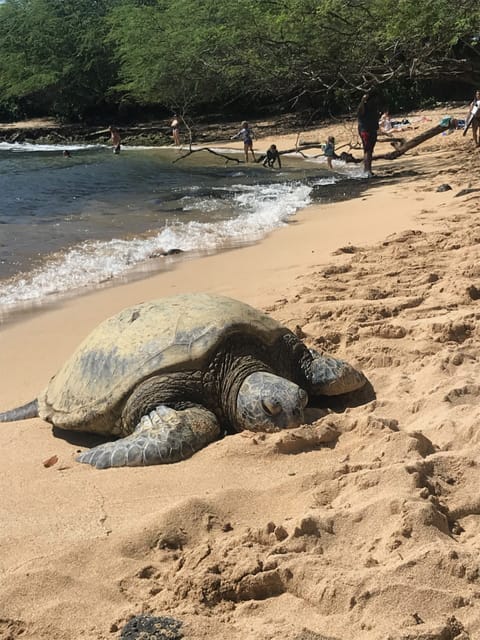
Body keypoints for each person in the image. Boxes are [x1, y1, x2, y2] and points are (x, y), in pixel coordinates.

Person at [357, 91, 380, 176]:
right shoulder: (364, 107)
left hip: (372, 130)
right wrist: (363, 100)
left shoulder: (374, 108)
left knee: (370, 151)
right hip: (365, 130)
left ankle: (368, 170)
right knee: (367, 151)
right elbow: (360, 111)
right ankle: (367, 171)